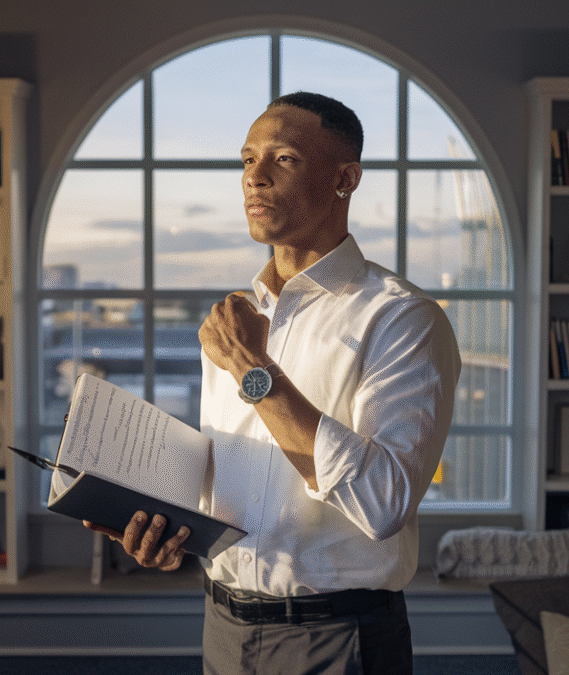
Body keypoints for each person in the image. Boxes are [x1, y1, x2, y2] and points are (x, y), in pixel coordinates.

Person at [86, 92, 461, 675]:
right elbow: (227, 484)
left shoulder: (403, 319)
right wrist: (164, 531)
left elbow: (384, 502)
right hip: (222, 628)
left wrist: (253, 372)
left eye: (282, 159)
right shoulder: (234, 318)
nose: (254, 178)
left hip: (340, 639)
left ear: (345, 178)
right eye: (246, 160)